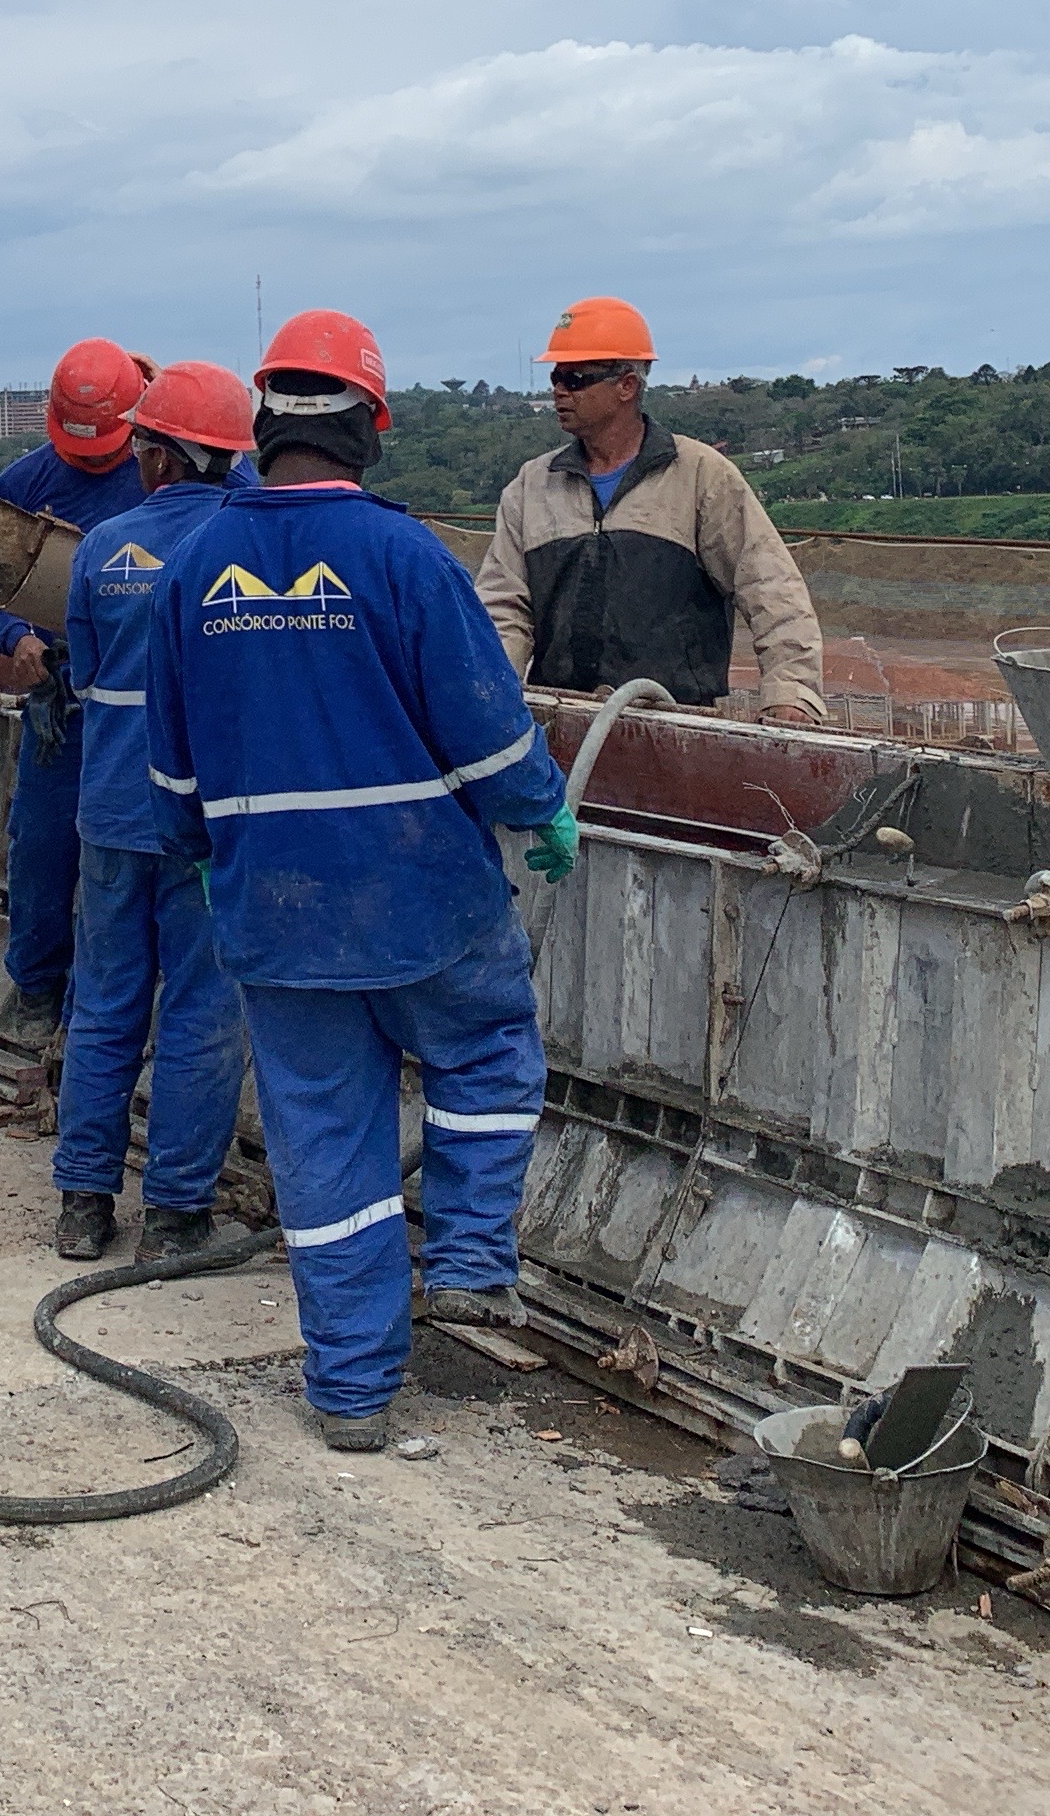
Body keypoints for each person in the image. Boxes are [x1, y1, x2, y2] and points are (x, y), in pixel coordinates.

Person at [143, 310, 574, 1452]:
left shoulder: (190, 574)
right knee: (485, 1052)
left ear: (261, 426)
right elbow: (486, 736)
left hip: (275, 917)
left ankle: (349, 1396)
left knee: (326, 1147)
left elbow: (172, 774)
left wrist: (214, 856)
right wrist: (543, 808)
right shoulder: (404, 557)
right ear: (372, 427)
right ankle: (475, 1259)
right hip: (420, 895)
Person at [47, 359, 255, 1265]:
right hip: (211, 821)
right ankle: (175, 1216)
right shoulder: (243, 550)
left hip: (114, 810)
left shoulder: (103, 549)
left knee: (105, 1004)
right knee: (204, 1012)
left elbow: (86, 677)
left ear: (164, 455)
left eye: (140, 443)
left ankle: (83, 1204)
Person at [476, 296, 828, 720]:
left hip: (679, 725)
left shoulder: (700, 477)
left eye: (575, 378)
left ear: (627, 385)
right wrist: (490, 699)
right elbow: (503, 609)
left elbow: (771, 589)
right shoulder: (533, 485)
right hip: (559, 720)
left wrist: (791, 694)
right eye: (555, 376)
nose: (558, 391)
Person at [0, 335, 153, 1022]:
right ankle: (40, 988)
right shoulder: (24, 487)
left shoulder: (180, 476)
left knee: (155, 853)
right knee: (43, 846)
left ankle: (129, 999)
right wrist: (14, 638)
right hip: (65, 705)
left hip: (155, 705)